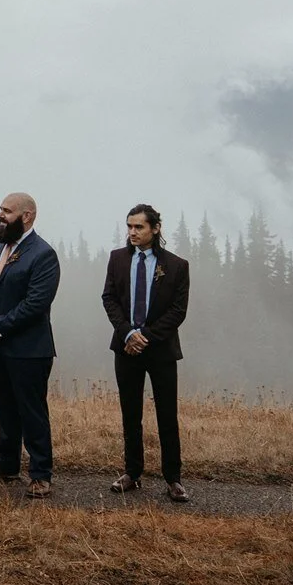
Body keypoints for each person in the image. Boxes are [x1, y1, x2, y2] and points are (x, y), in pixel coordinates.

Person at [0, 192, 61, 497]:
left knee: (31, 411)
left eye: (7, 211)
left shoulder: (43, 254)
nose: (0, 215)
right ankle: (7, 463)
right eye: (0, 209)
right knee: (5, 408)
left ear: (27, 216)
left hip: (30, 349)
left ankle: (40, 473)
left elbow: (35, 304)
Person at [102, 203, 191, 502]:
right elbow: (109, 298)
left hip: (161, 350)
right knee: (130, 413)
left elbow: (178, 311)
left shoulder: (177, 265)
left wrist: (145, 337)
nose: (132, 232)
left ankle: (173, 479)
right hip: (125, 348)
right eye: (129, 226)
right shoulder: (117, 259)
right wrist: (127, 332)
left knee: (167, 414)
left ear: (155, 228)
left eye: (138, 227)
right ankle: (132, 473)